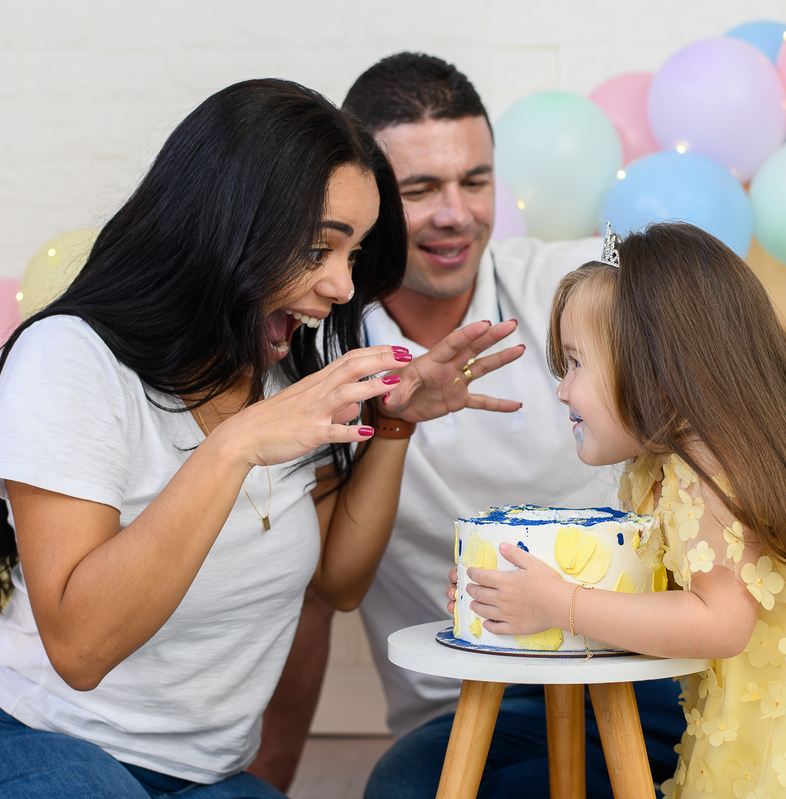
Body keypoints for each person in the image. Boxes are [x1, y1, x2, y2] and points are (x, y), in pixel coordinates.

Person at [0, 78, 525, 799]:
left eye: (353, 255)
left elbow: (339, 582)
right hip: (26, 742)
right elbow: (80, 647)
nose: (344, 287)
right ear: (227, 225)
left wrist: (394, 423)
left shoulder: (283, 380)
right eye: (320, 248)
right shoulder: (72, 358)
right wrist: (231, 447)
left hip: (199, 780)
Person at [248, 54, 685, 798]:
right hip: (472, 706)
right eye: (420, 190)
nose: (457, 213)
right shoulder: (315, 348)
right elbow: (315, 592)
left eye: (476, 181)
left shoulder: (580, 281)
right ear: (364, 198)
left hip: (661, 674)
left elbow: (773, 400)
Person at [464, 222, 786, 798]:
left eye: (577, 363)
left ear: (657, 373)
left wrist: (562, 603)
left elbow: (720, 622)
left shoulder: (704, 471)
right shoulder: (740, 443)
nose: (563, 389)